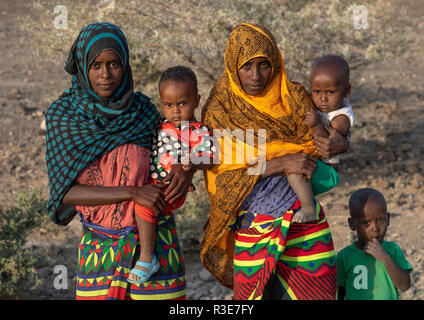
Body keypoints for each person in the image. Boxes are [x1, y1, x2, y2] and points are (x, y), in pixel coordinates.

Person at [45, 22, 194, 300]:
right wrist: (131, 192)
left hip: (156, 247)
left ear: (125, 65)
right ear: (82, 67)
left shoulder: (144, 112)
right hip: (98, 251)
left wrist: (189, 166)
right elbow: (64, 193)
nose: (105, 74)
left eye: (114, 64)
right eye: (96, 65)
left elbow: (187, 133)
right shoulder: (64, 118)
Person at [200, 23, 349, 300]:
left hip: (303, 217)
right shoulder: (221, 110)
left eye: (264, 65)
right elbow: (223, 177)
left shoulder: (294, 98)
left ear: (276, 61)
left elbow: (327, 144)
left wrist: (342, 141)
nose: (256, 76)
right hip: (252, 224)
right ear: (233, 65)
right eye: (247, 66)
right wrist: (281, 163)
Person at [128, 66, 215, 284]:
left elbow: (211, 157)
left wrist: (191, 161)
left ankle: (147, 258)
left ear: (196, 100)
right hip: (154, 183)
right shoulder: (160, 125)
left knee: (144, 207)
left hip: (171, 188)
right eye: (168, 105)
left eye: (182, 104)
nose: (175, 110)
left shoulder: (198, 130)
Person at [337, 188, 412, 300]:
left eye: (380, 220)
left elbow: (404, 285)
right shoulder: (345, 256)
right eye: (366, 223)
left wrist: (385, 257)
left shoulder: (393, 250)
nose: (375, 228)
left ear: (388, 219)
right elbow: (340, 292)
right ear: (352, 224)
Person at [305, 54, 355, 171]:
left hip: (326, 169)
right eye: (317, 91)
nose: (323, 99)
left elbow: (328, 142)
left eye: (331, 92)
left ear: (346, 91)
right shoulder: (319, 105)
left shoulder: (341, 118)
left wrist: (316, 124)